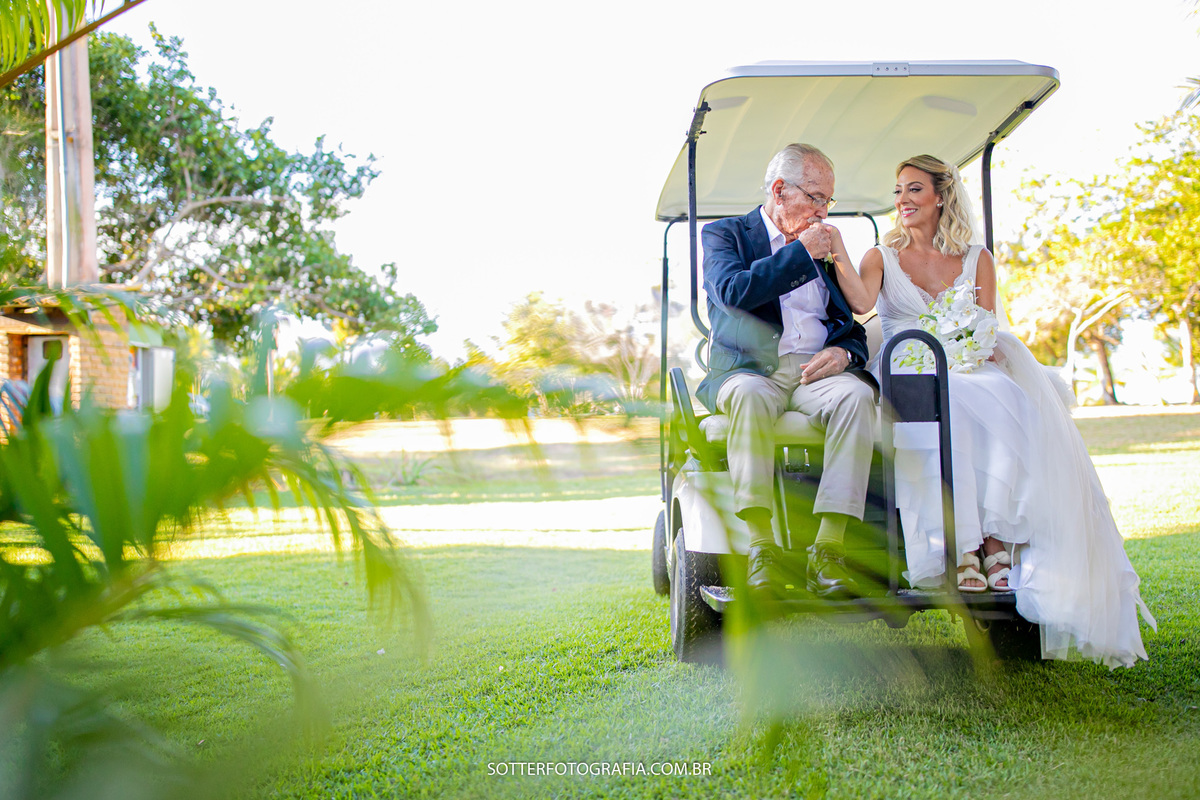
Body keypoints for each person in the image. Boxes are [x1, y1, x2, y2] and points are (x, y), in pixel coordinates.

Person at [820, 153, 1155, 667]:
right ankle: (962, 549)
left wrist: (970, 347)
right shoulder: (881, 256)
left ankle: (997, 543)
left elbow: (983, 323)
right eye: (898, 191)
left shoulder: (977, 257)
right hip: (910, 366)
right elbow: (863, 303)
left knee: (1003, 395)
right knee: (951, 400)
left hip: (965, 363)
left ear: (941, 196)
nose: (903, 200)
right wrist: (839, 248)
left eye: (914, 189)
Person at [696, 143, 877, 599]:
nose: (823, 212)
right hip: (752, 372)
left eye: (828, 201)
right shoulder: (725, 235)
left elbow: (851, 326)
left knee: (857, 396)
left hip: (816, 374)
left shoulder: (825, 245)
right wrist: (800, 256)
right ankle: (762, 548)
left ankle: (828, 549)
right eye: (815, 197)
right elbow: (733, 292)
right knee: (749, 396)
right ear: (780, 190)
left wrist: (845, 354)